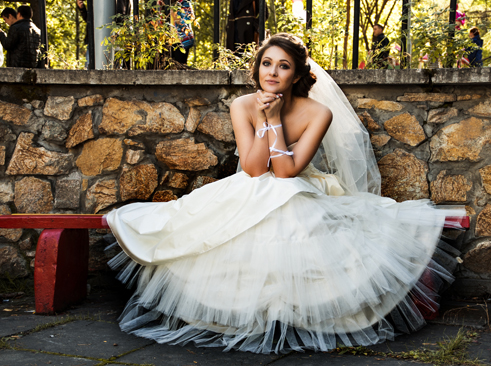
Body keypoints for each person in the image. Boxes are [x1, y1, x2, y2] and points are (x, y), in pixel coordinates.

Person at [106, 33, 465, 354]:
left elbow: (287, 171)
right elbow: (253, 168)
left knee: (289, 198)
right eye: (266, 64)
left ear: (296, 75)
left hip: (297, 183)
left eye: (283, 66)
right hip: (251, 182)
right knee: (240, 208)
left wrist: (274, 119)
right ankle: (246, 310)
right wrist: (263, 119)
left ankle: (298, 311)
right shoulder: (242, 105)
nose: (272, 73)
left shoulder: (318, 112)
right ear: (257, 68)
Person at [171, 0, 195, 66]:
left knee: (180, 68)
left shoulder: (184, 2)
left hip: (181, 41)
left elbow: (189, 19)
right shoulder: (162, 2)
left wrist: (174, 15)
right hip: (166, 41)